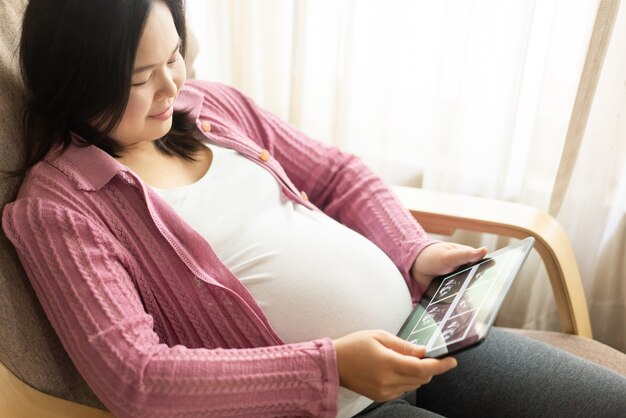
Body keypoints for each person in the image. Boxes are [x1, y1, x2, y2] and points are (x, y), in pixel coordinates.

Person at [3, 1, 625, 417]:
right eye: (141, 78)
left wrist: (415, 250)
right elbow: (136, 376)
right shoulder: (61, 210)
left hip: (422, 338)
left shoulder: (209, 107)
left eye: (174, 56)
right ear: (75, 79)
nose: (173, 85)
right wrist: (328, 370)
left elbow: (337, 173)